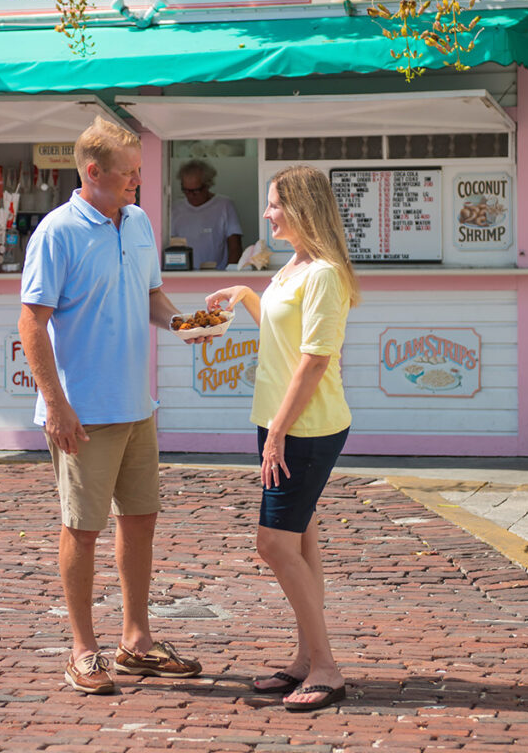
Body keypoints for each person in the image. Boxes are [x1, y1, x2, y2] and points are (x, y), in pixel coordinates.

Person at [18, 116, 201, 696]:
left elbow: (150, 294)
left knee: (141, 520)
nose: (139, 184)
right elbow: (31, 322)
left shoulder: (140, 221)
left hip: (136, 404)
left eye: (140, 173)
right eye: (129, 174)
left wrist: (180, 322)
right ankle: (82, 650)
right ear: (92, 172)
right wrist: (56, 404)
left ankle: (136, 642)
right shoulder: (56, 233)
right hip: (82, 413)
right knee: (82, 527)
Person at [205, 165, 359, 713]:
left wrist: (277, 434)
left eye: (273, 204)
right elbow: (281, 330)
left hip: (304, 428)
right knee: (300, 541)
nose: (267, 213)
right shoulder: (293, 267)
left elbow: (315, 361)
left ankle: (326, 667)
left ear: (300, 209)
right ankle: (304, 659)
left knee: (272, 544)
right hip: (281, 422)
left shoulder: (323, 273)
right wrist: (246, 294)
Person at [171, 159, 243, 269]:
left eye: (196, 191)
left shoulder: (224, 205)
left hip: (217, 273)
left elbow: (235, 247)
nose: (190, 195)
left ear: (207, 185)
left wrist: (229, 273)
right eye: (186, 190)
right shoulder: (175, 209)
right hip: (183, 274)